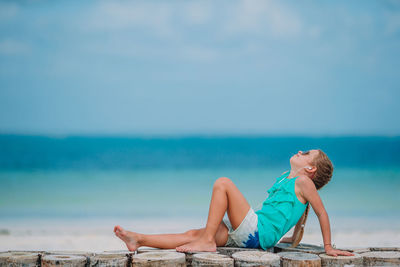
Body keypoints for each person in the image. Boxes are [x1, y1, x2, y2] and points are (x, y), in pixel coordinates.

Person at [114, 149, 355, 257]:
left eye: (306, 154)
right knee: (193, 234)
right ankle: (139, 239)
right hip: (254, 233)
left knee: (223, 183)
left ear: (310, 169)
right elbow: (297, 213)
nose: (300, 151)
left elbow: (321, 213)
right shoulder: (288, 177)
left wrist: (328, 247)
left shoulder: (304, 181)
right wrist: (294, 238)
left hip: (259, 233)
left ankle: (208, 242)